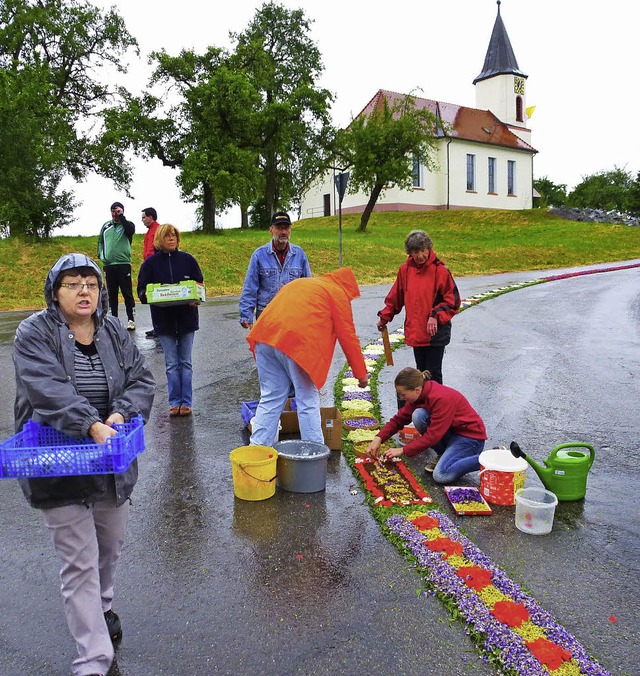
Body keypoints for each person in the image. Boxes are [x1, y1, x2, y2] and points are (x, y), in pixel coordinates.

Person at [13, 253, 155, 676]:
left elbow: (141, 379)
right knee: (78, 561)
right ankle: (93, 660)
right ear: (55, 292)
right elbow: (47, 390)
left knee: (108, 547)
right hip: (57, 462)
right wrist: (90, 423)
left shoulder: (113, 330)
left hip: (110, 462)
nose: (84, 291)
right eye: (73, 283)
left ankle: (103, 603)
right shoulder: (33, 333)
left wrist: (120, 412)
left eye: (91, 284)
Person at [247, 266, 368, 446]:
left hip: (265, 338)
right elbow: (347, 336)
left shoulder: (303, 283)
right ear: (348, 288)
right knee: (307, 400)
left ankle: (257, 451)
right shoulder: (337, 292)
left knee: (271, 398)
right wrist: (361, 373)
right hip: (297, 346)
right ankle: (314, 452)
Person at [366, 367, 486, 484]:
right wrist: (379, 438)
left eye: (403, 394)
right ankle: (445, 454)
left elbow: (432, 436)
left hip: (470, 438)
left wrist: (403, 450)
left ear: (417, 390)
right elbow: (399, 419)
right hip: (451, 432)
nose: (401, 398)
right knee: (418, 415)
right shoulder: (418, 395)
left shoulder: (441, 398)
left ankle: (487, 459)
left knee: (441, 475)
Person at [376, 229, 460, 385]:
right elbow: (396, 297)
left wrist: (434, 315)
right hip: (416, 331)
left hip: (435, 333)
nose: (420, 256)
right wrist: (384, 317)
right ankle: (422, 407)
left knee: (433, 375)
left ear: (429, 249)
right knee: (420, 374)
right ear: (410, 253)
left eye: (423, 251)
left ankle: (436, 407)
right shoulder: (405, 270)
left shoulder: (441, 270)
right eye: (415, 252)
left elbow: (453, 301)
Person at [138, 223, 204, 417]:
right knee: (171, 363)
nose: (171, 239)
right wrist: (152, 295)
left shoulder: (188, 260)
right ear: (159, 239)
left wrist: (197, 298)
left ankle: (187, 402)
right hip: (164, 321)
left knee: (186, 362)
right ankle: (175, 402)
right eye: (167, 236)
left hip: (186, 320)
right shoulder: (149, 264)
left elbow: (199, 285)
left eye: (174, 235)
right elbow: (142, 291)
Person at [239, 211, 311, 329]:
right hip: (267, 316)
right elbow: (250, 287)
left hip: (293, 316)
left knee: (290, 348)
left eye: (286, 228)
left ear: (290, 230)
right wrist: (246, 315)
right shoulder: (259, 255)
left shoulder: (300, 255)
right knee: (266, 348)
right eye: (279, 228)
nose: (283, 232)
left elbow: (308, 289)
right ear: (271, 230)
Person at [97, 201, 136, 330]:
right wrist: (102, 257)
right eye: (113, 211)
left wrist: (122, 217)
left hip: (123, 264)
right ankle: (114, 319)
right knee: (111, 293)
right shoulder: (106, 226)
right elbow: (101, 242)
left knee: (126, 292)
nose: (115, 214)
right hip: (109, 265)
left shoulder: (127, 225)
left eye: (117, 211)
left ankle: (131, 318)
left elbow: (130, 231)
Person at [141, 207, 160, 338]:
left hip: (156, 268)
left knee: (158, 298)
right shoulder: (148, 232)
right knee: (152, 298)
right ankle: (156, 326)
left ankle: (160, 327)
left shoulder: (158, 230)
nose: (142, 220)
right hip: (150, 267)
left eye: (143, 217)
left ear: (150, 217)